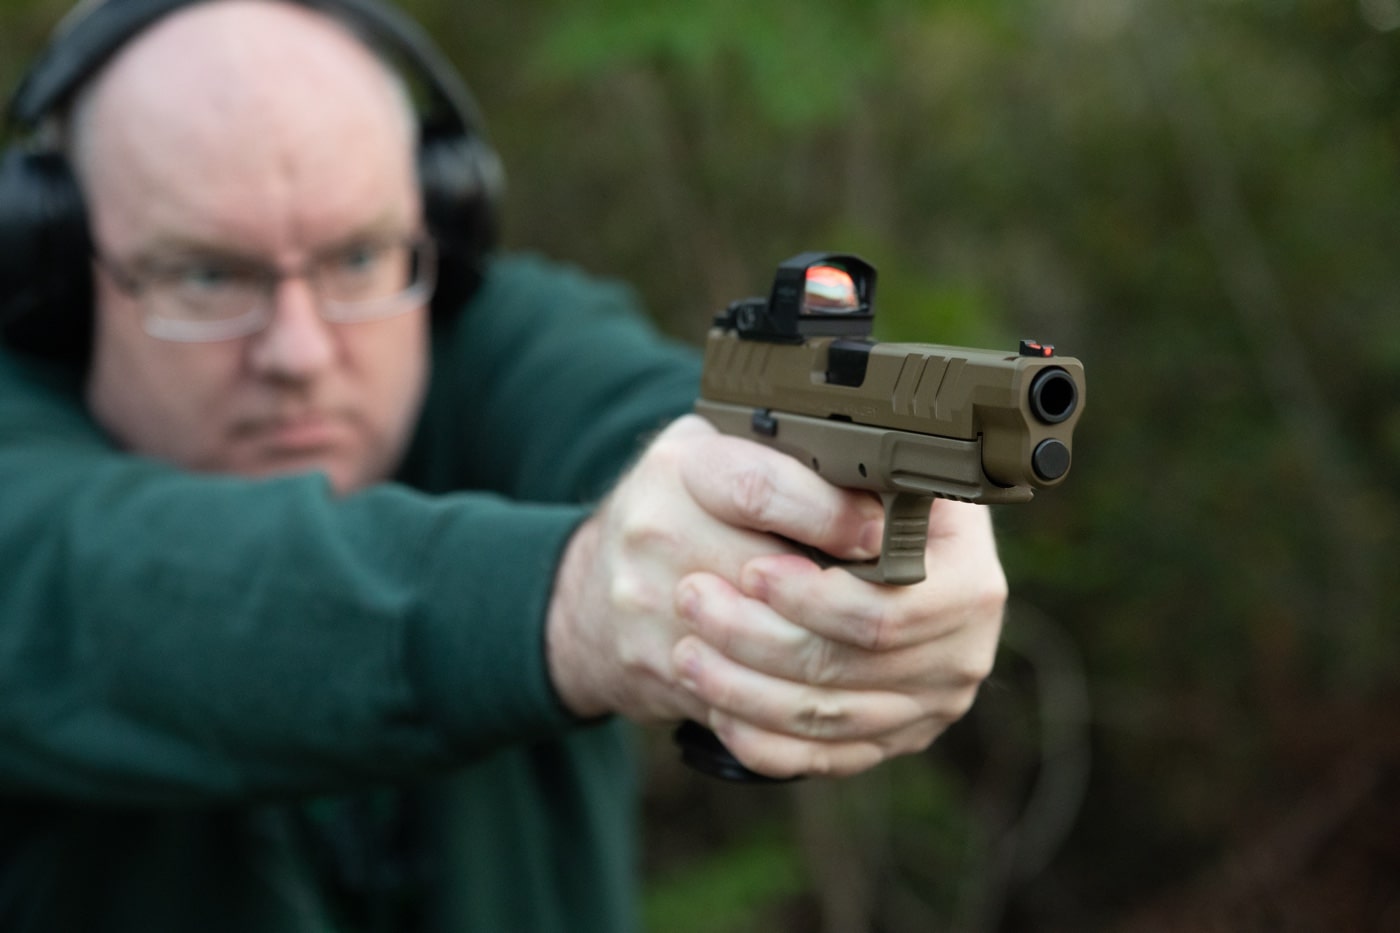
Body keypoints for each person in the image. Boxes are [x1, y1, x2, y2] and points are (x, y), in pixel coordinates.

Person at [0, 0, 1009, 930]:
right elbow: (118, 587)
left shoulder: (469, 321)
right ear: (51, 266)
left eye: (357, 258)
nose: (300, 353)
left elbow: (661, 414)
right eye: (207, 274)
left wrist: (799, 514)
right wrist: (575, 603)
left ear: (437, 222)